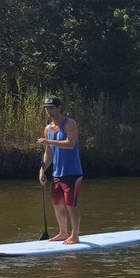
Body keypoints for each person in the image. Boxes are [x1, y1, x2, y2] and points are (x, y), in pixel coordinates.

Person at [37, 96, 83, 244]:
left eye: (51, 108)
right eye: (46, 108)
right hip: (57, 173)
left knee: (71, 205)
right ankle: (63, 232)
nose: (48, 111)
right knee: (57, 204)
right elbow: (48, 153)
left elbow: (70, 144)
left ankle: (75, 235)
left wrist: (49, 141)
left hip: (72, 172)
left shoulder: (70, 123)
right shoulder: (47, 129)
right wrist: (43, 171)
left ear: (59, 108)